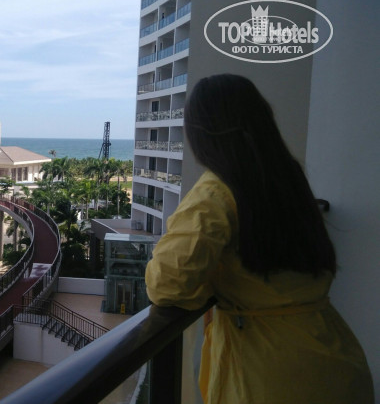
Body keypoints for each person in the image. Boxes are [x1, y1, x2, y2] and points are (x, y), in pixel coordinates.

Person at [145, 74, 374, 403]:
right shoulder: (287, 178)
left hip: (271, 371)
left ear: (201, 133)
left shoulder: (215, 193)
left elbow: (167, 284)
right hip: (334, 354)